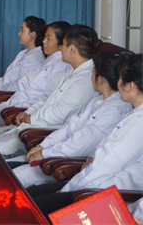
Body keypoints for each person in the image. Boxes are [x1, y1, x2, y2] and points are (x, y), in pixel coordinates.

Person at [31, 54, 143, 217]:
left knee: (31, 209)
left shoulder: (138, 122)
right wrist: (91, 160)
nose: (117, 82)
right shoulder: (134, 114)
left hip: (104, 194)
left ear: (130, 85)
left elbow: (106, 165)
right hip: (93, 183)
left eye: (120, 78)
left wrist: (68, 189)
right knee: (31, 196)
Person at [13, 52, 132, 187]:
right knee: (11, 166)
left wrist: (46, 153)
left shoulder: (117, 110)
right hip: (58, 154)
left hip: (68, 163)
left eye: (93, 73)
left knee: (16, 177)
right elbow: (71, 126)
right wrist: (43, 146)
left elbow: (82, 143)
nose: (90, 77)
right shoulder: (98, 100)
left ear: (101, 79)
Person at [0, 25, 99, 156]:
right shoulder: (73, 72)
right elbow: (48, 101)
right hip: (33, 124)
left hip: (43, 132)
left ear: (72, 49)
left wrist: (31, 118)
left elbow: (59, 115)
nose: (61, 49)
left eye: (63, 45)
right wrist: (28, 113)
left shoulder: (85, 80)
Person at [0, 21, 72, 131]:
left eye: (49, 38)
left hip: (20, 109)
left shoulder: (61, 66)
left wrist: (27, 113)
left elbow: (46, 99)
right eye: (45, 36)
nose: (43, 41)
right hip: (13, 101)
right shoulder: (50, 60)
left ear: (62, 43)